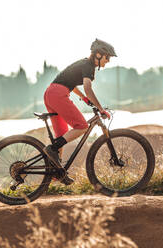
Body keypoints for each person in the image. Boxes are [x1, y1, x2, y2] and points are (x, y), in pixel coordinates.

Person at [42, 38, 117, 185]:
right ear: (98, 55)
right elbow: (88, 88)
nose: (108, 61)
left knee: (62, 136)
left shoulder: (84, 64)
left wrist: (84, 98)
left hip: (50, 93)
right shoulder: (88, 66)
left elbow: (69, 83)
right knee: (82, 126)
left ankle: (57, 173)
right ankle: (52, 149)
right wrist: (101, 109)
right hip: (57, 94)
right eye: (107, 57)